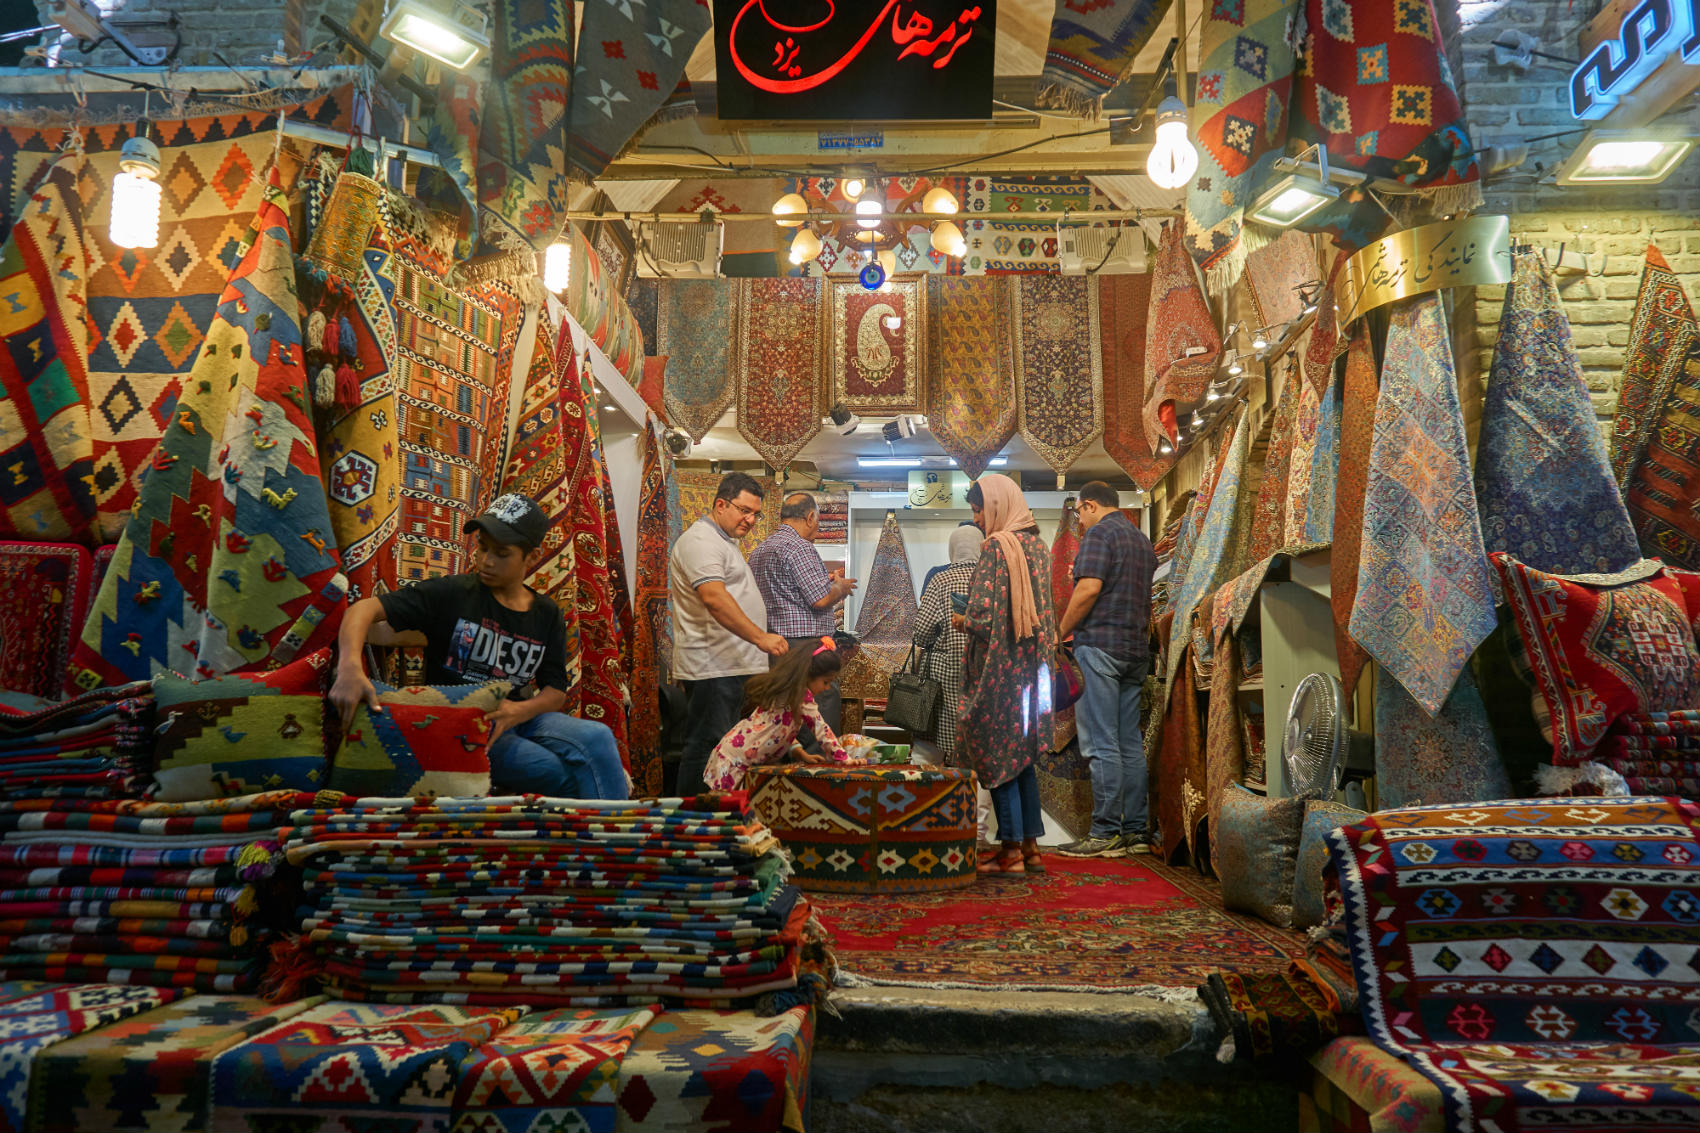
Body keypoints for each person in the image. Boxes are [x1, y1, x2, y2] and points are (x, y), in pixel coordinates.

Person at [330, 493, 628, 800]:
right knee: (555, 771)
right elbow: (362, 610)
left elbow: (555, 691)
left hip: (520, 716)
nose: (486, 560)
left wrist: (519, 710)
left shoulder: (546, 612)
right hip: (464, 721)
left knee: (597, 736)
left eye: (502, 553)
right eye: (483, 547)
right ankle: (603, 827)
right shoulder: (453, 593)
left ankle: (617, 827)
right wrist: (349, 666)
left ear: (532, 557)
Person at [954, 474, 1057, 875]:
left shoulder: (996, 548)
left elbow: (983, 616)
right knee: (1022, 755)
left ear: (996, 506)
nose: (978, 519)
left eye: (979, 510)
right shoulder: (1039, 548)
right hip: (1034, 670)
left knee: (995, 751)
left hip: (999, 669)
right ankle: (1032, 849)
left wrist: (962, 619)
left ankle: (1011, 849)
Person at [669, 471, 789, 794]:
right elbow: (714, 598)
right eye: (744, 510)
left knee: (722, 748)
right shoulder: (701, 542)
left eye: (756, 514)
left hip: (728, 665)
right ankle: (693, 817)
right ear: (720, 504)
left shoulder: (724, 542)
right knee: (706, 746)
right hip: (713, 666)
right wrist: (760, 638)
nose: (750, 520)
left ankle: (716, 812)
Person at [1056, 481, 1157, 858]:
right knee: (1128, 742)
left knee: (1101, 742)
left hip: (1100, 647)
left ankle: (1104, 833)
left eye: (1079, 513)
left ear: (1090, 506)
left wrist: (1058, 633)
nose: (1080, 521)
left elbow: (1088, 590)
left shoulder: (1099, 535)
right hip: (1135, 651)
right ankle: (1136, 832)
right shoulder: (1141, 540)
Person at [748, 492, 857, 739]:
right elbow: (820, 599)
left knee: (784, 712)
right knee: (818, 707)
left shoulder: (760, 550)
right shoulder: (800, 547)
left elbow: (786, 592)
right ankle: (820, 760)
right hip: (806, 647)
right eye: (817, 521)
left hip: (775, 645)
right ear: (810, 517)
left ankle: (790, 760)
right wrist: (840, 588)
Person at [703, 638, 866, 790]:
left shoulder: (789, 693)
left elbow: (778, 730)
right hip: (735, 763)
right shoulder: (801, 696)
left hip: (731, 757)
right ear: (808, 674)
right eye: (826, 682)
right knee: (728, 807)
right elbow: (820, 728)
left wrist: (799, 752)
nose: (827, 688)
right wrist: (843, 759)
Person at [910, 524, 981, 768]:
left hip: (944, 677)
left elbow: (921, 632)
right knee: (976, 746)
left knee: (929, 746)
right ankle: (969, 790)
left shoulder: (940, 580)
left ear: (953, 549)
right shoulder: (992, 581)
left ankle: (925, 789)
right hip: (984, 673)